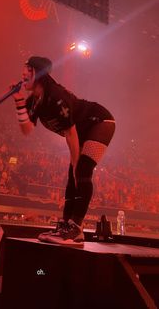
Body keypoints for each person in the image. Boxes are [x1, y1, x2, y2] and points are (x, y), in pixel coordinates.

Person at [12, 56, 115, 244]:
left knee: (81, 170)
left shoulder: (56, 96)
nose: (22, 74)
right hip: (81, 131)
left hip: (99, 122)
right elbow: (27, 129)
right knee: (72, 176)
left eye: (27, 70)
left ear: (38, 73)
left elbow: (70, 133)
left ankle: (75, 228)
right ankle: (67, 226)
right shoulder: (35, 101)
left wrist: (75, 166)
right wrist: (19, 103)